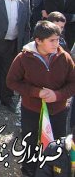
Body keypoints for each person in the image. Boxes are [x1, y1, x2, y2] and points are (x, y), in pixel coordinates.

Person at [6, 21, 75, 177]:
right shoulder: (23, 58)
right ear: (38, 40)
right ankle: (29, 170)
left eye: (58, 39)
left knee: (56, 143)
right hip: (32, 111)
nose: (56, 44)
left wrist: (57, 95)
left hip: (58, 111)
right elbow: (11, 82)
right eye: (52, 40)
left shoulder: (64, 57)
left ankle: (55, 170)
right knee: (30, 142)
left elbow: (73, 82)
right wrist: (36, 92)